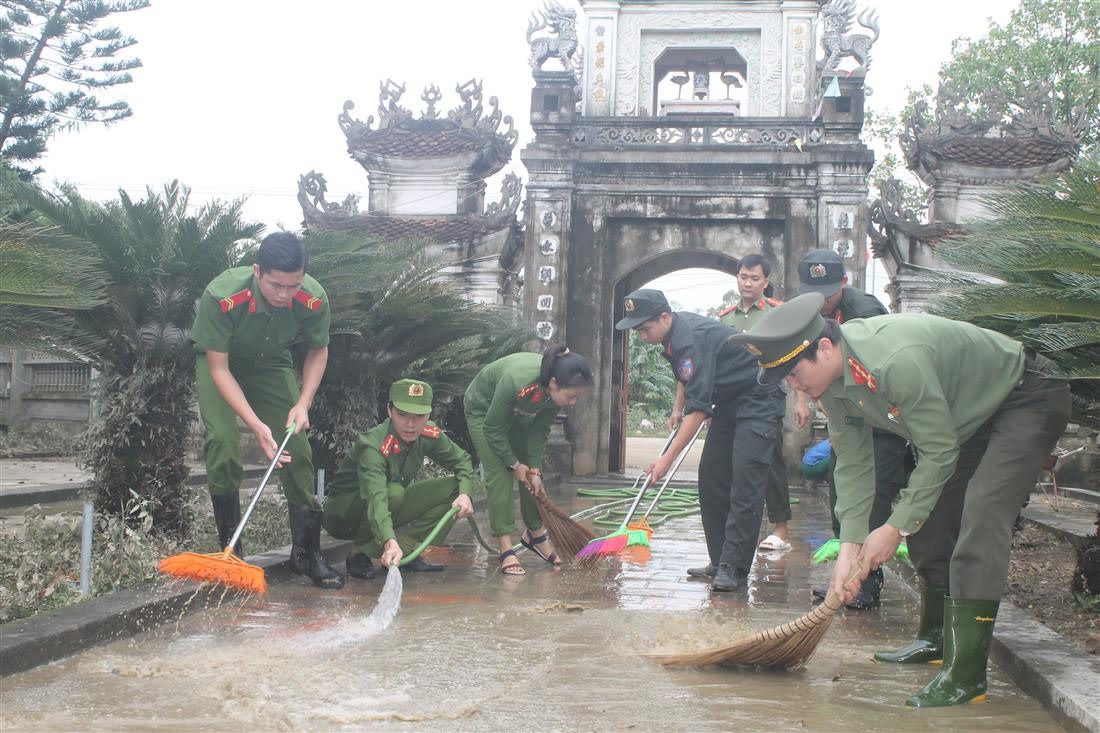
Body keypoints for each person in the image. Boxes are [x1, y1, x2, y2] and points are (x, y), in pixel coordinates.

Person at [730, 293, 1070, 707]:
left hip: (1025, 397)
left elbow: (940, 452)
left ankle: (966, 676)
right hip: (967, 420)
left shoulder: (893, 362)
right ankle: (936, 639)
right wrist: (850, 546)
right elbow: (853, 463)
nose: (792, 386)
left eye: (793, 373)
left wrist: (894, 528)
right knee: (931, 519)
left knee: (980, 513)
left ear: (823, 347)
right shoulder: (833, 384)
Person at [191, 231, 343, 589]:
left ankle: (306, 553)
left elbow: (318, 352)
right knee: (223, 442)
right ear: (257, 271)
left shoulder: (313, 299)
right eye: (276, 285)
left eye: (294, 286)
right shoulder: (223, 296)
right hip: (222, 364)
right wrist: (256, 425)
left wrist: (302, 404)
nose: (285, 295)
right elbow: (218, 369)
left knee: (299, 448)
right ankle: (232, 553)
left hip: (272, 363)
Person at [617, 289, 785, 592]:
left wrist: (665, 460)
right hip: (729, 400)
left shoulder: (690, 338)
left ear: (665, 317)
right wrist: (677, 408)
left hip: (759, 398)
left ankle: (733, 568)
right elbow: (688, 377)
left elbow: (698, 413)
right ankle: (719, 558)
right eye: (637, 330)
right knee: (711, 476)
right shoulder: (672, 337)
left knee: (745, 479)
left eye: (645, 328)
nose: (641, 335)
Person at [799, 248, 910, 609]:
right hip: (847, 419)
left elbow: (868, 375)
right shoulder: (810, 315)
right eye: (813, 294)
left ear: (843, 283)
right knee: (842, 492)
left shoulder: (866, 311)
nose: (821, 302)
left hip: (881, 424)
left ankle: (866, 584)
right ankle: (847, 573)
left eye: (827, 294)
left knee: (873, 498)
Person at [322, 379, 475, 579]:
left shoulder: (428, 434)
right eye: (402, 415)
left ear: (428, 415)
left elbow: (462, 460)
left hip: (386, 504)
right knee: (393, 492)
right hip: (344, 516)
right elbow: (376, 498)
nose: (410, 425)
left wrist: (465, 494)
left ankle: (406, 549)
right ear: (389, 411)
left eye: (419, 416)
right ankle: (360, 552)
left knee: (456, 488)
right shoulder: (374, 446)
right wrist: (388, 541)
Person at [464, 344, 594, 576]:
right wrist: (513, 464)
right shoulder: (517, 381)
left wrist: (533, 468)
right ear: (553, 383)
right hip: (483, 412)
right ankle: (505, 547)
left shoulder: (555, 393)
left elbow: (540, 430)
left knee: (533, 476)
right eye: (571, 397)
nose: (573, 403)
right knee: (500, 471)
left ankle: (535, 534)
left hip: (515, 412)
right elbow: (493, 428)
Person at [717, 254, 792, 552]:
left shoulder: (778, 313)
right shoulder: (724, 318)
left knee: (770, 461)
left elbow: (794, 357)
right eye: (743, 277)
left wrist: (800, 402)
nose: (748, 283)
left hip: (767, 397)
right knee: (733, 465)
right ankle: (736, 527)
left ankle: (781, 529)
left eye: (755, 278)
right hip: (731, 400)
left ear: (766, 282)